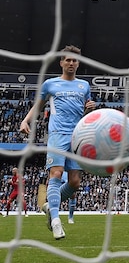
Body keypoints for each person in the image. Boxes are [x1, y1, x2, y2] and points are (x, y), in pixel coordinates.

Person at [20, 45, 96, 240]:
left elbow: (85, 112)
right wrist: (26, 120)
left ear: (78, 64)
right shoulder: (50, 84)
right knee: (56, 173)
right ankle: (55, 220)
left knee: (75, 182)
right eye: (67, 60)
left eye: (74, 60)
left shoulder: (84, 86)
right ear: (61, 62)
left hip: (77, 136)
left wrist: (90, 108)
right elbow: (39, 105)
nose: (71, 63)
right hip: (57, 134)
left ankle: (49, 206)